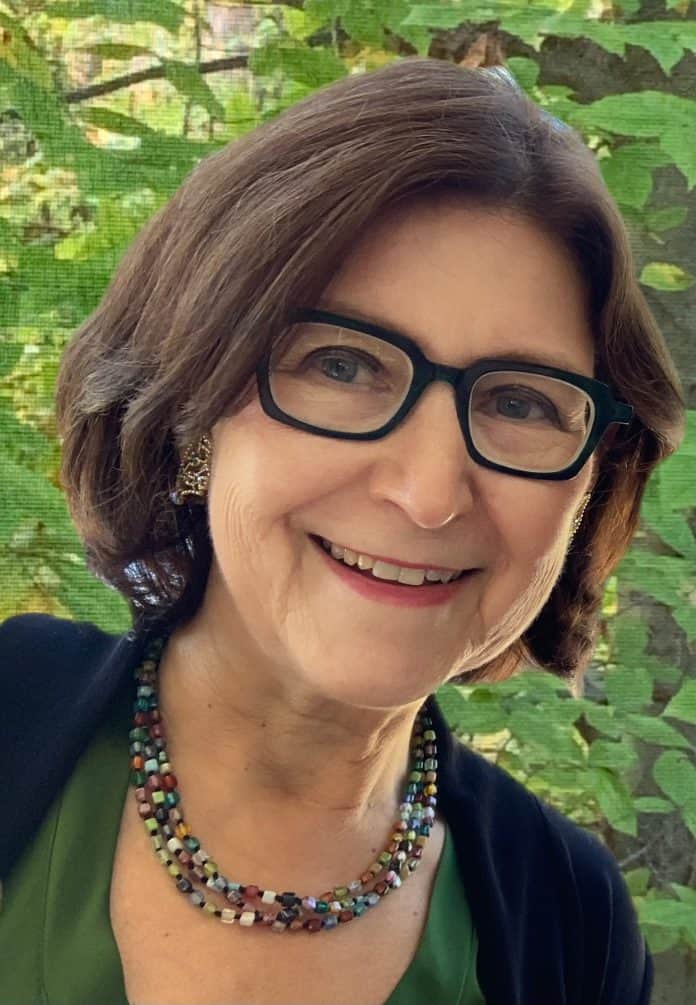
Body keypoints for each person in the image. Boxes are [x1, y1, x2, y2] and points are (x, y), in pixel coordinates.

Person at [0, 57, 685, 1005]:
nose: (430, 493)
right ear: (194, 410)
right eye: (344, 365)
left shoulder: (574, 924)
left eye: (521, 401)